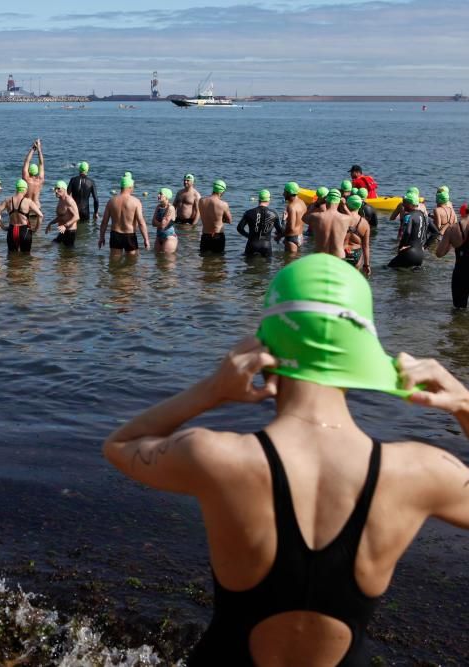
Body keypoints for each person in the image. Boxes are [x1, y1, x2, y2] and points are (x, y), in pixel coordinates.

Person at [103, 253, 469, 666]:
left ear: (265, 348)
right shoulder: (419, 472)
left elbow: (120, 445)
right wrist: (464, 404)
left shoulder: (217, 457)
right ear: (363, 354)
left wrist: (211, 390)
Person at [98, 175, 149, 257]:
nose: (133, 189)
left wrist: (101, 237)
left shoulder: (111, 201)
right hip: (129, 235)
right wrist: (146, 239)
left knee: (114, 262)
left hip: (115, 235)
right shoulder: (136, 202)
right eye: (132, 187)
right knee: (131, 263)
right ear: (129, 187)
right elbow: (141, 223)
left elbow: (104, 222)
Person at [436, 200, 469, 307]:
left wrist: (451, 242)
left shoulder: (452, 229)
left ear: (461, 213)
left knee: (459, 310)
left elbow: (439, 253)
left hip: (461, 274)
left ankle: (458, 323)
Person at [388, 192, 434, 269]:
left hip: (409, 252)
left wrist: (401, 247)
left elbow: (407, 232)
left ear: (410, 204)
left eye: (404, 202)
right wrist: (425, 246)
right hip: (420, 254)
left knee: (388, 269)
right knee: (412, 277)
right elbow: (436, 233)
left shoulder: (409, 216)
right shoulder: (425, 216)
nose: (403, 204)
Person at [1, 179, 43, 253]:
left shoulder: (7, 200)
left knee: (11, 256)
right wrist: (36, 228)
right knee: (26, 256)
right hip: (25, 231)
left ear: (17, 189)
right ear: (25, 189)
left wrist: (3, 227)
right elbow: (40, 215)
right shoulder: (28, 201)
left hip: (12, 230)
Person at [303, 189, 348, 258]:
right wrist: (344, 206)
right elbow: (355, 220)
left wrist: (315, 204)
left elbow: (304, 218)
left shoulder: (316, 216)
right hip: (338, 256)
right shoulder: (345, 218)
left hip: (321, 255)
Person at [236, 189, 279, 258]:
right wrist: (283, 220)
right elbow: (280, 231)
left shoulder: (249, 213)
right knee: (266, 267)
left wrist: (248, 236)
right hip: (266, 245)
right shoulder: (274, 214)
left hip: (252, 243)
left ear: (259, 199)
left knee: (250, 267)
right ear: (269, 200)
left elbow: (239, 228)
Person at [198, 180, 231, 255]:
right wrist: (220, 219)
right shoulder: (223, 204)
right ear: (222, 191)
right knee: (219, 261)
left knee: (204, 262)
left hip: (205, 235)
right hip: (218, 236)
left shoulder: (201, 201)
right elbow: (229, 220)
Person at [343, 194, 372, 277]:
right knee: (354, 278)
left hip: (342, 252)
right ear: (360, 206)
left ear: (348, 204)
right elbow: (366, 246)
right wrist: (367, 265)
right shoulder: (365, 223)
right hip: (356, 254)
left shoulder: (341, 219)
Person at [46, 180, 80, 248]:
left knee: (69, 254)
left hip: (70, 231)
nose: (56, 191)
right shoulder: (61, 200)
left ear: (64, 189)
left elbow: (77, 217)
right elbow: (61, 217)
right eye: (55, 189)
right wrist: (50, 223)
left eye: (58, 189)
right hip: (63, 230)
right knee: (53, 244)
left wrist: (65, 226)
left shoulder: (69, 200)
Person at [275, 182, 306, 254]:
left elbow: (291, 228)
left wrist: (279, 236)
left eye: (285, 192)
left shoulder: (291, 207)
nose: (283, 194)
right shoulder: (302, 203)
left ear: (289, 193)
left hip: (292, 239)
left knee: (289, 262)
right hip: (300, 236)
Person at [152, 188, 178, 254]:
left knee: (167, 261)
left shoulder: (170, 208)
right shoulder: (158, 207)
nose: (158, 195)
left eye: (161, 194)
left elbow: (163, 225)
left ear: (166, 196)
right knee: (158, 261)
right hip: (159, 236)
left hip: (169, 237)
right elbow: (152, 223)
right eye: (158, 194)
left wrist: (157, 223)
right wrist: (160, 224)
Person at [21, 139, 45, 203]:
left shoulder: (26, 179)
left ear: (28, 171)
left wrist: (33, 148)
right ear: (37, 171)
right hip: (36, 206)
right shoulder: (40, 180)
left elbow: (26, 162)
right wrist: (39, 149)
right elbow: (41, 163)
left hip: (26, 205)